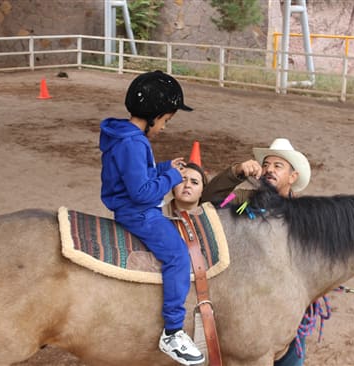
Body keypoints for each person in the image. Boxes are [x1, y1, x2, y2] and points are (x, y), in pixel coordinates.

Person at [99, 70, 205, 366]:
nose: (164, 127)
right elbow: (143, 192)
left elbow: (135, 173)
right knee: (178, 257)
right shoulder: (133, 143)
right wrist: (171, 175)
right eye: (166, 121)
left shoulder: (124, 136)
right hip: (139, 212)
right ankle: (172, 332)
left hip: (130, 204)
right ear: (154, 115)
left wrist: (162, 167)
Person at [201, 138, 312, 366]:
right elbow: (209, 200)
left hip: (286, 306)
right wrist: (235, 172)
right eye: (266, 165)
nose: (269, 169)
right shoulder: (244, 201)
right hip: (244, 303)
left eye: (277, 166)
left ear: (293, 177)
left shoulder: (305, 216)